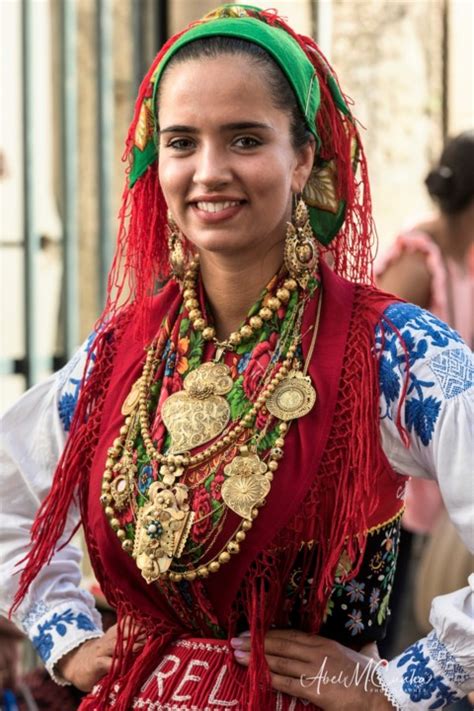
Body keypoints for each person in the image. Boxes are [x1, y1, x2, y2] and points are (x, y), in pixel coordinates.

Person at [0, 5, 472, 710]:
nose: (209, 171)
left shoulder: (392, 350)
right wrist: (65, 635)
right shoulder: (121, 348)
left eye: (245, 139)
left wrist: (393, 687)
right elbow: (11, 492)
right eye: (181, 142)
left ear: (304, 156)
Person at [376, 132, 474, 659]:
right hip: (405, 487)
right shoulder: (419, 260)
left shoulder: (460, 260)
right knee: (397, 631)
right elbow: (368, 367)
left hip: (446, 478)